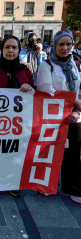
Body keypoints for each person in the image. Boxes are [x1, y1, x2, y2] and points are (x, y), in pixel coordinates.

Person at [0, 36, 35, 198]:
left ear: (19, 50)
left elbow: (35, 95)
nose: (11, 51)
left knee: (15, 152)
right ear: (1, 50)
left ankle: (11, 182)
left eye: (14, 47)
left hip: (18, 122)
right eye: (7, 47)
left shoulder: (25, 71)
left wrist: (29, 88)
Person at [37, 30, 81, 203]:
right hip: (53, 115)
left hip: (74, 115)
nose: (65, 48)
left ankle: (74, 188)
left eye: (68, 44)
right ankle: (48, 185)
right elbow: (47, 90)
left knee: (75, 151)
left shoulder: (76, 65)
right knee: (50, 150)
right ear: (55, 45)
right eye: (61, 44)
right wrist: (74, 102)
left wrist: (77, 111)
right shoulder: (46, 65)